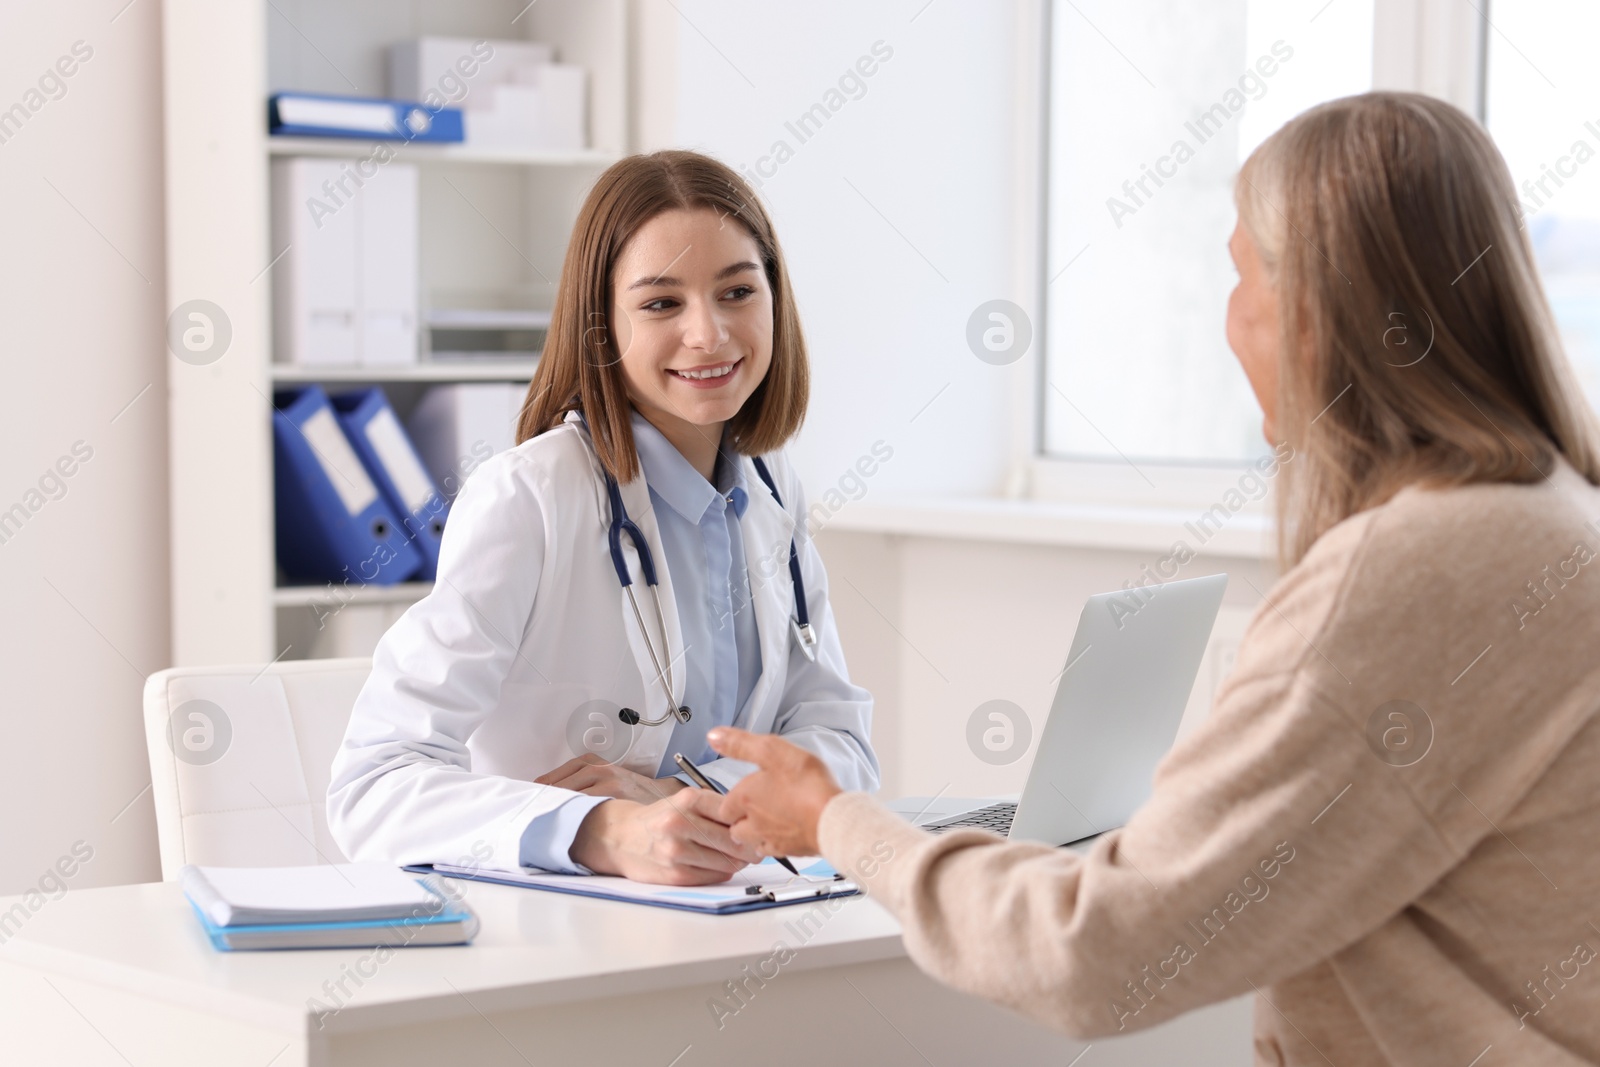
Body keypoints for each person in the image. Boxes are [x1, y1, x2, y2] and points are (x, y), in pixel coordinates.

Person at [708, 92, 1600, 1065]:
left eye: (1239, 273)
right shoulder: (1551, 514)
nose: (1229, 316)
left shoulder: (1416, 573)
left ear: (1315, 305)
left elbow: (1093, 952)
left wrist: (840, 823)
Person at [327, 150, 878, 886]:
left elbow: (840, 749)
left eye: (737, 291)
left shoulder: (772, 488)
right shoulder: (528, 499)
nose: (709, 334)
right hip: (557, 927)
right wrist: (600, 830)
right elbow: (372, 786)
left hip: (734, 905)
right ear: (601, 325)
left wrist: (680, 797)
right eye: (661, 303)